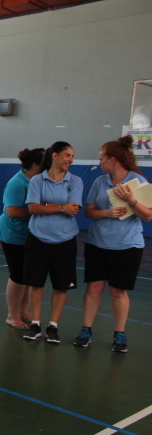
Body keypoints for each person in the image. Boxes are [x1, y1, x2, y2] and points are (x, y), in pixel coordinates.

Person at [73, 135, 152, 352]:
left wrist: (131, 201)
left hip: (127, 246)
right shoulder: (100, 182)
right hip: (97, 244)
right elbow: (89, 211)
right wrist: (107, 213)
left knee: (118, 291)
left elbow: (147, 216)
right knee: (94, 288)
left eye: (101, 158)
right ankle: (86, 330)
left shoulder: (138, 182)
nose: (99, 162)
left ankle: (120, 334)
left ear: (112, 160)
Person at [22, 142, 83, 343]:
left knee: (61, 286)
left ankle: (53, 327)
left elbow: (73, 209)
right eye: (67, 155)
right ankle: (35, 324)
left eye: (72, 156)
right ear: (55, 155)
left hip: (65, 240)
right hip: (38, 238)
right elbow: (33, 208)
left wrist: (47, 204)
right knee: (35, 283)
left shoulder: (75, 181)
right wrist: (62, 207)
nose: (71, 160)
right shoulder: (37, 180)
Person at [0, 148, 44, 329]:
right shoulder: (18, 183)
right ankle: (12, 315)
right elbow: (12, 211)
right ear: (35, 165)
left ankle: (23, 310)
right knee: (18, 275)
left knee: (27, 274)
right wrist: (39, 211)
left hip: (29, 234)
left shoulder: (38, 181)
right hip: (13, 233)